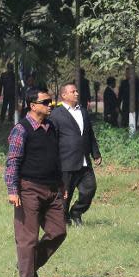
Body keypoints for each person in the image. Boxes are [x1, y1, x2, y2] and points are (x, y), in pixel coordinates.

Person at [4, 88, 67, 277]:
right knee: (27, 238)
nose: (50, 104)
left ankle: (28, 267)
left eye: (50, 101)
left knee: (58, 232)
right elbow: (13, 161)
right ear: (33, 105)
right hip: (28, 189)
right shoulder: (21, 129)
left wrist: (62, 184)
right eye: (45, 101)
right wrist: (13, 190)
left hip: (52, 188)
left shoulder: (51, 127)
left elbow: (55, 158)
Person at [50, 83, 102, 226]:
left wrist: (95, 153)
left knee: (90, 188)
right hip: (66, 162)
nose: (77, 94)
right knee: (65, 195)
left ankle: (76, 212)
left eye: (77, 91)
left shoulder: (83, 112)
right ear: (64, 95)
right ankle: (63, 218)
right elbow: (51, 139)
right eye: (73, 92)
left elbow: (89, 134)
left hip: (84, 161)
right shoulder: (56, 114)